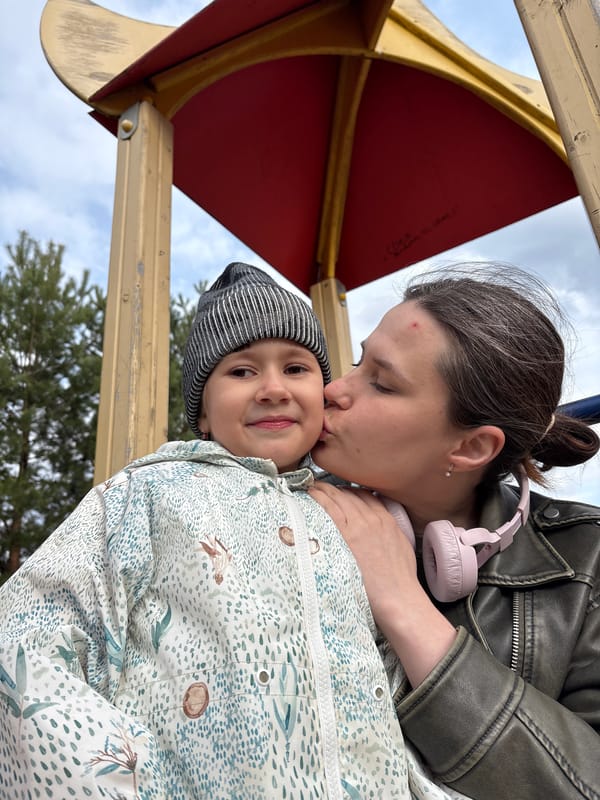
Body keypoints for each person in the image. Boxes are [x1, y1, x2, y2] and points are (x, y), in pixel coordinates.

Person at [0, 263, 466, 800]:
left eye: (296, 368)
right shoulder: (148, 495)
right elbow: (23, 643)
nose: (272, 389)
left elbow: (392, 696)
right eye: (241, 372)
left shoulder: (355, 515)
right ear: (201, 411)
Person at [308, 263, 600, 800]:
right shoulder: (287, 514)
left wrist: (400, 601)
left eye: (382, 383)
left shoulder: (588, 560)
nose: (332, 389)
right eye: (356, 362)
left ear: (470, 448)